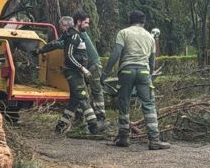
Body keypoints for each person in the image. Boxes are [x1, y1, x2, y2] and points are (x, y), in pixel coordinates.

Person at [103, 10, 170, 150]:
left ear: (130, 20)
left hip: (126, 71)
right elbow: (152, 61)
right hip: (144, 72)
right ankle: (154, 140)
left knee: (124, 103)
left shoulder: (123, 33)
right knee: (149, 105)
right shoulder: (150, 37)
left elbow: (116, 53)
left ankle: (124, 138)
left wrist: (105, 73)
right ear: (143, 22)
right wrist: (149, 75)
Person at [41, 15, 105, 135]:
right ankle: (70, 125)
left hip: (91, 66)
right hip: (81, 68)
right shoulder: (74, 35)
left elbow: (59, 46)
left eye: (63, 26)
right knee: (78, 97)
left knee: (91, 93)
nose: (61, 28)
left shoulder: (74, 35)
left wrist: (40, 50)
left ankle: (99, 120)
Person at [73, 10, 106, 124]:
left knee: (96, 91)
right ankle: (80, 117)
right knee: (82, 92)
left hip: (93, 66)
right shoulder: (76, 33)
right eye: (86, 23)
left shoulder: (78, 33)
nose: (87, 25)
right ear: (78, 22)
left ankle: (101, 118)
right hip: (85, 67)